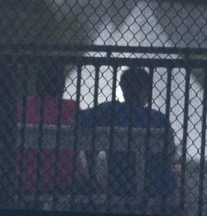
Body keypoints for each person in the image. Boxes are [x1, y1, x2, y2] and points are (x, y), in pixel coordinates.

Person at [78, 67, 180, 208]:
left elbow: (76, 119)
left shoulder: (107, 111)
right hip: (154, 186)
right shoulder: (158, 119)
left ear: (122, 88)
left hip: (119, 184)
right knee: (178, 171)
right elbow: (170, 158)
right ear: (145, 91)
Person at [16, 59, 82, 192]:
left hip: (26, 177)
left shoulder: (24, 105)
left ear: (38, 83)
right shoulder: (70, 108)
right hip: (65, 179)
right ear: (61, 84)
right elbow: (83, 144)